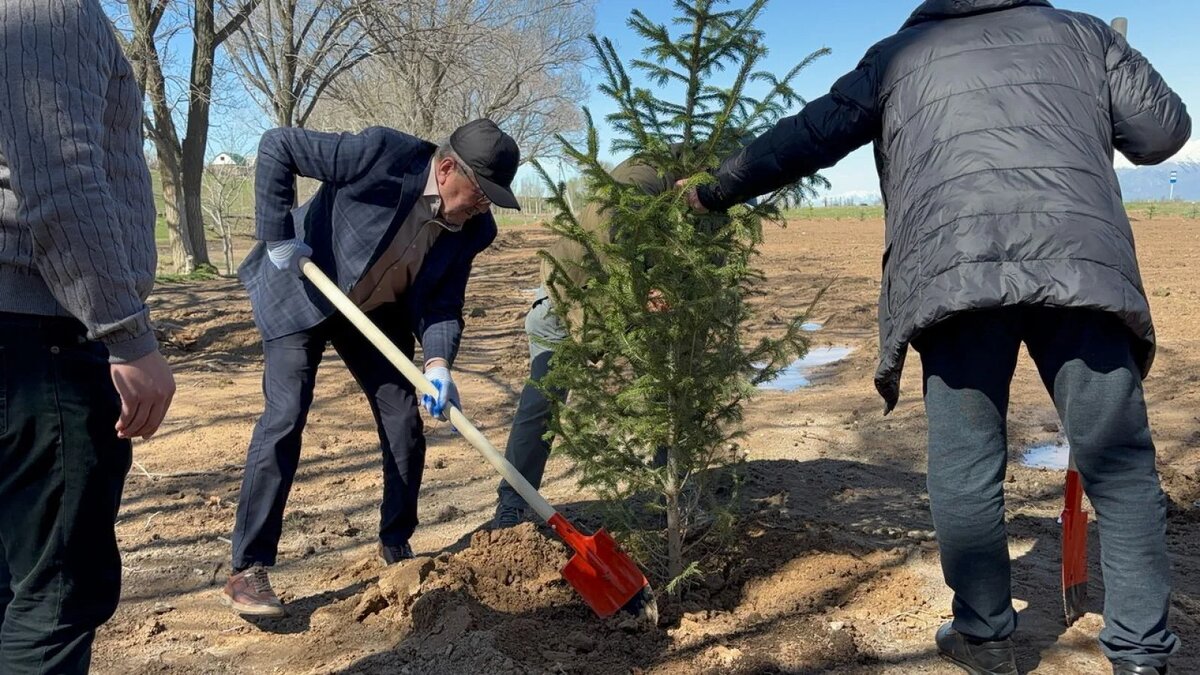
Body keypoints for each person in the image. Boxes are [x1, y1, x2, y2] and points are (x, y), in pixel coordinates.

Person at [680, 2, 1190, 674]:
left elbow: (812, 132)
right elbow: (1161, 132)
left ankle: (984, 636)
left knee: (966, 460)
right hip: (1079, 268)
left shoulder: (900, 55)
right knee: (1120, 468)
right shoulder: (1082, 34)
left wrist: (715, 189)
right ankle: (1143, 654)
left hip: (952, 273)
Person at [221, 119, 519, 618]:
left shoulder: (473, 231)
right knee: (286, 414)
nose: (482, 208)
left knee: (404, 423)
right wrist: (278, 238)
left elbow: (443, 301)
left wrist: (440, 362)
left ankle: (396, 546)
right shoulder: (382, 155)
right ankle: (247, 569)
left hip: (374, 314)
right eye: (480, 195)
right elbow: (278, 145)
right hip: (301, 285)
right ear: (446, 170)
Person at [0, 0, 178, 671]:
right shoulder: (48, 9)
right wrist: (128, 335)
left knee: (12, 581)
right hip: (41, 341)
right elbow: (62, 179)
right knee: (56, 599)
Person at [493, 153, 687, 529]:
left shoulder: (694, 197)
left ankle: (670, 495)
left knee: (666, 389)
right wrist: (642, 286)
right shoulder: (647, 172)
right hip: (567, 300)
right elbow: (606, 222)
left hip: (631, 309)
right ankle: (512, 506)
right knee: (542, 402)